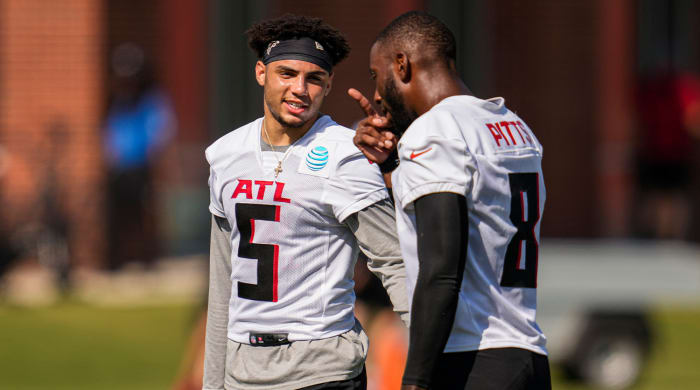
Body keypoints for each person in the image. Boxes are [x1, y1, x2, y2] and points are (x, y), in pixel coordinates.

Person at [203, 14, 408, 390]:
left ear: (328, 86)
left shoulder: (346, 155)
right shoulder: (224, 154)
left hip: (323, 369)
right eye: (287, 74)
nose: (300, 89)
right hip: (243, 370)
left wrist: (434, 366)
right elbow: (222, 284)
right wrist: (213, 382)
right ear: (261, 73)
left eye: (314, 79)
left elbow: (395, 263)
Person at [350, 11, 551, 390]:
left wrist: (415, 380)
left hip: (471, 359)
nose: (376, 95)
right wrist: (394, 167)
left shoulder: (435, 129)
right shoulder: (514, 125)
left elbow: (441, 269)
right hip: (528, 354)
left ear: (402, 65)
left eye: (377, 76)